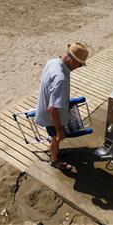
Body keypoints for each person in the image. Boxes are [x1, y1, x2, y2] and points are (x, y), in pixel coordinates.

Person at [35, 42, 89, 171]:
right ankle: (55, 159)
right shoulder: (61, 78)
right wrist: (59, 129)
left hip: (44, 109)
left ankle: (53, 149)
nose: (79, 67)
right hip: (51, 117)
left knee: (53, 138)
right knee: (56, 138)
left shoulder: (52, 62)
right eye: (80, 65)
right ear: (74, 62)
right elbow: (52, 109)